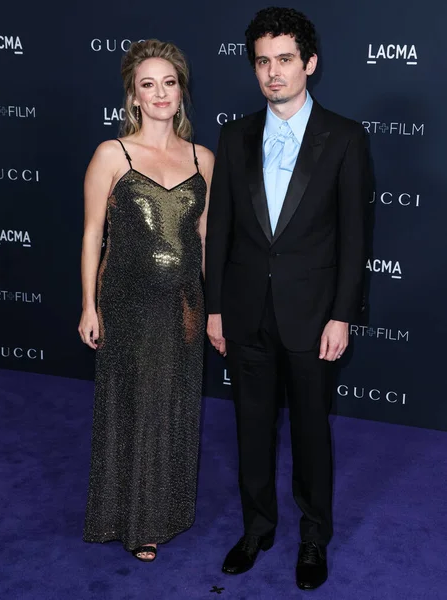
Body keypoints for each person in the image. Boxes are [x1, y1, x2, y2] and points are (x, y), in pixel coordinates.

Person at [206, 7, 372, 591]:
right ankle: (257, 528)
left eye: (284, 60)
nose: (273, 73)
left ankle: (313, 535)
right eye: (263, 62)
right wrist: (216, 307)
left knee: (310, 431)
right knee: (251, 428)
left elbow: (355, 238)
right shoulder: (234, 135)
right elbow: (220, 228)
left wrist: (342, 315)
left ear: (310, 64)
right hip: (246, 311)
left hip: (312, 316)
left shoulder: (345, 137)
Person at [78, 39, 214, 562]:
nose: (160, 93)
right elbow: (93, 234)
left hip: (183, 300)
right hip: (127, 299)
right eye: (147, 84)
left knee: (174, 404)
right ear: (134, 97)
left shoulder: (204, 158)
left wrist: (211, 307)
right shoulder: (113, 153)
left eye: (169, 83)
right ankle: (132, 519)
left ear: (181, 93)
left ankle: (166, 509)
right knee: (132, 404)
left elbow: (204, 239)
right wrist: (89, 306)